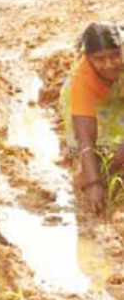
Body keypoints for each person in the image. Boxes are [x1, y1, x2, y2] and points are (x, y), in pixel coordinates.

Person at [60, 23, 124, 215]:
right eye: (99, 59)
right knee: (94, 154)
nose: (109, 64)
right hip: (98, 103)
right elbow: (84, 135)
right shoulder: (82, 78)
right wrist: (93, 182)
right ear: (88, 58)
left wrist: (117, 162)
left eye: (115, 55)